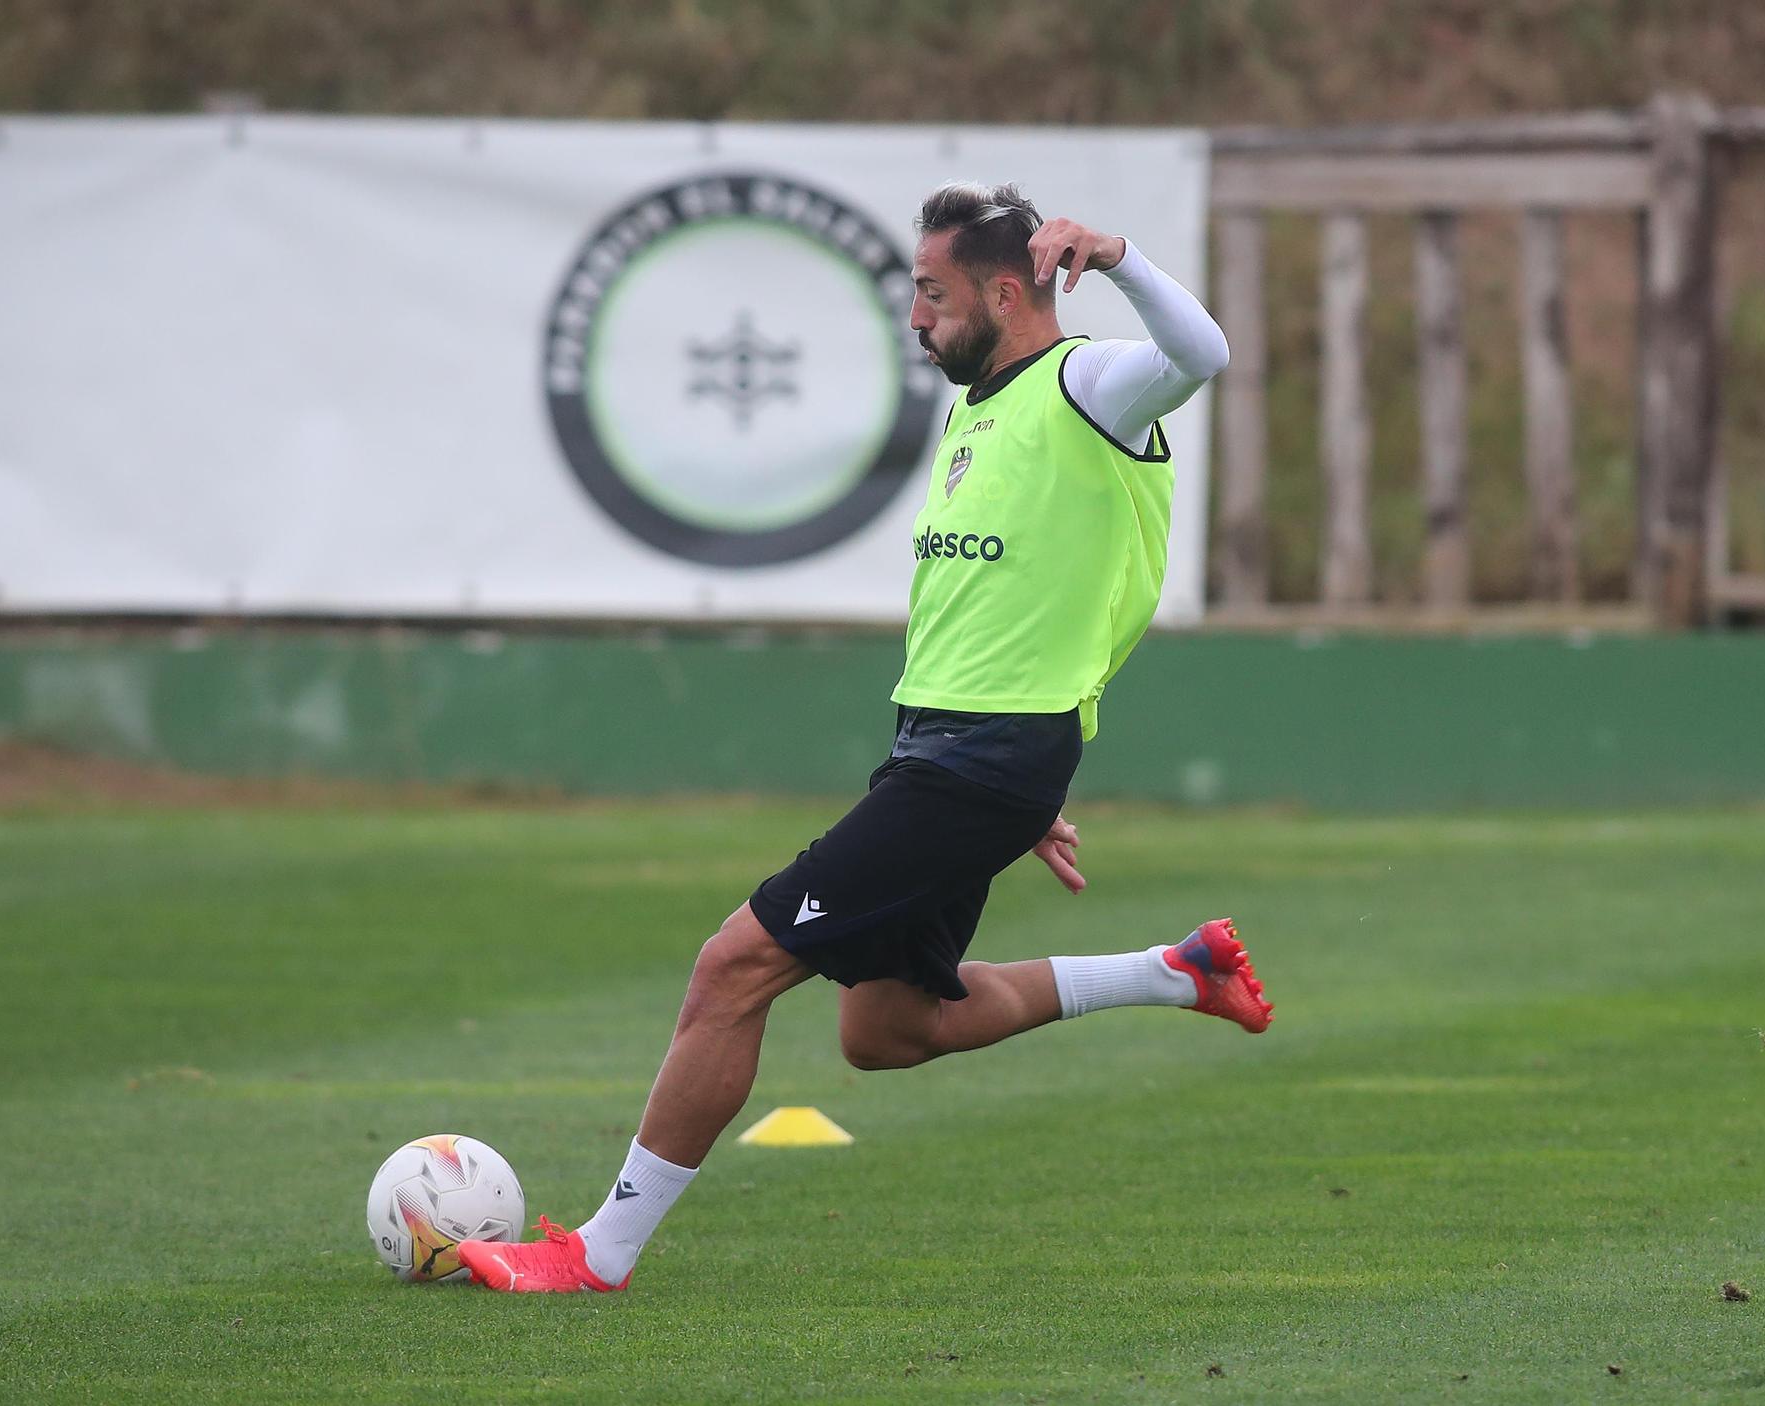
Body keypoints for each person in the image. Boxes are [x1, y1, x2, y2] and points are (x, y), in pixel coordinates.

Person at [459, 181, 1271, 1295]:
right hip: (957, 754)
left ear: (1002, 289)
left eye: (932, 294)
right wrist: (1011, 792)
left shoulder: (1085, 384)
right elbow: (1008, 615)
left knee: (730, 967)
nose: (916, 318)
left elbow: (1204, 349)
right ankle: (1175, 972)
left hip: (983, 758)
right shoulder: (975, 410)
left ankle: (597, 1255)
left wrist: (1120, 254)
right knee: (885, 1030)